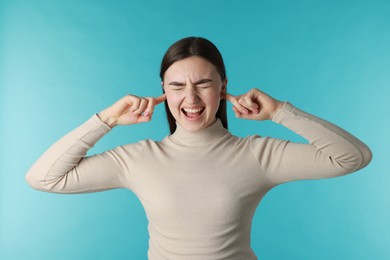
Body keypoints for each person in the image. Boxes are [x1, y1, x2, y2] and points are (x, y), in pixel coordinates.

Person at [26, 37, 372, 260]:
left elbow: (353, 157)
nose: (190, 99)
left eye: (203, 83)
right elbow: (44, 178)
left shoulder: (257, 155)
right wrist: (106, 119)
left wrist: (281, 112)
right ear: (163, 90)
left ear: (223, 87)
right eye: (177, 86)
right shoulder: (138, 158)